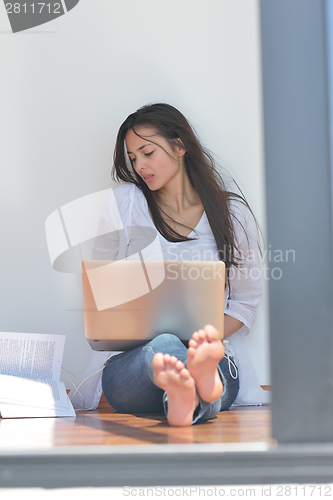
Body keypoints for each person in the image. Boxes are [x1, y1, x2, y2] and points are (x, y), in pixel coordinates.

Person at [89, 103, 269, 426]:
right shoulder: (124, 205)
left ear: (179, 146)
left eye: (147, 152)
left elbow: (246, 303)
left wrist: (205, 339)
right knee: (163, 347)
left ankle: (185, 395)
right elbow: (99, 290)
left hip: (212, 353)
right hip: (136, 362)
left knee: (203, 361)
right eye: (132, 158)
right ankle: (196, 383)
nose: (139, 165)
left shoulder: (231, 214)